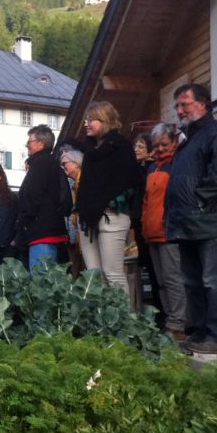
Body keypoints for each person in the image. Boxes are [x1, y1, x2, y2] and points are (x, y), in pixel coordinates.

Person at [165, 83, 217, 355]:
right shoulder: (189, 139)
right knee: (193, 282)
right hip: (188, 222)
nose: (179, 110)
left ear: (203, 104)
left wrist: (198, 202)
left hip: (210, 220)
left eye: (184, 104)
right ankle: (198, 333)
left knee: (214, 281)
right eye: (177, 106)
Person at [77, 101, 142, 294]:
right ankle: (101, 313)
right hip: (88, 219)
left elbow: (131, 182)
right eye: (86, 119)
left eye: (91, 120)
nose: (86, 124)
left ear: (104, 120)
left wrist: (107, 202)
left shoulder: (121, 147)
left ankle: (121, 314)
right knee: (94, 275)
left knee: (112, 274)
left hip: (112, 215)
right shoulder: (89, 150)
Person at [142, 123, 188, 337]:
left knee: (173, 278)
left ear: (174, 142)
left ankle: (179, 323)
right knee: (161, 282)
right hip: (152, 231)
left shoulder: (178, 165)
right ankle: (171, 320)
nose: (160, 148)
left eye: (164, 144)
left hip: (169, 231)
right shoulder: (152, 168)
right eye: (156, 145)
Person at [16, 124, 68, 271]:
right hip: (51, 230)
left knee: (41, 279)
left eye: (30, 141)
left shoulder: (41, 163)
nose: (27, 145)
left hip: (42, 232)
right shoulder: (51, 163)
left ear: (41, 143)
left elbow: (32, 196)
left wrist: (23, 222)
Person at [133, 132, 166, 326]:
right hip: (142, 223)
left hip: (153, 223)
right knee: (150, 269)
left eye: (140, 147)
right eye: (136, 146)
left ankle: (163, 312)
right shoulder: (140, 168)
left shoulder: (151, 169)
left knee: (159, 271)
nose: (136, 150)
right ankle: (157, 310)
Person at [59, 146, 84, 277]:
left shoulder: (84, 181)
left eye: (65, 163)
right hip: (73, 228)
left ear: (76, 163)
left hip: (83, 229)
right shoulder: (74, 182)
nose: (63, 167)